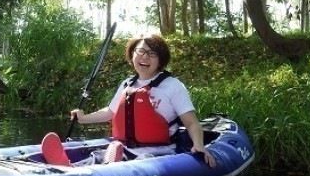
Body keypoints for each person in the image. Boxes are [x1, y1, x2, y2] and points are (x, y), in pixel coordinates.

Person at [41, 33, 216, 167]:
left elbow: (192, 123)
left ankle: (105, 169)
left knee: (139, 161)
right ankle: (68, 167)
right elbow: (111, 112)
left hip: (159, 151)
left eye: (152, 53)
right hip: (125, 146)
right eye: (141, 51)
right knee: (102, 155)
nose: (145, 57)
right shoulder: (127, 84)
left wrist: (199, 145)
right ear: (132, 54)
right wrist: (83, 117)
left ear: (161, 59)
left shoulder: (172, 86)